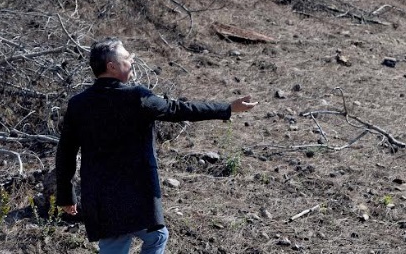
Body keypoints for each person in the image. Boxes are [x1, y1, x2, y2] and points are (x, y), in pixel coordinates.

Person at [55, 37, 257, 254]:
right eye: (127, 57)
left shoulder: (78, 104)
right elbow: (179, 110)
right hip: (135, 192)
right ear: (111, 66)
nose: (132, 61)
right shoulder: (137, 97)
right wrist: (227, 108)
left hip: (100, 196)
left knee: (155, 236)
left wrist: (66, 196)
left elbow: (65, 153)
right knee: (141, 240)